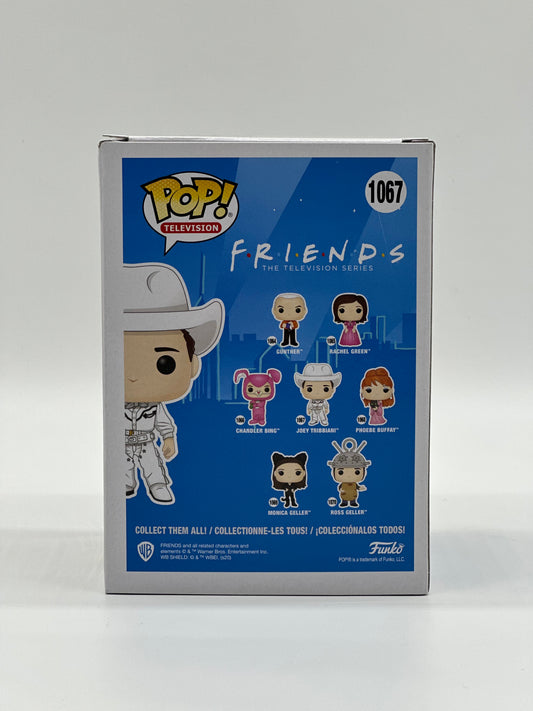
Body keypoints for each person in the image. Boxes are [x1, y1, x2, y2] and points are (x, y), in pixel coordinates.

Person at [123, 263, 224, 504]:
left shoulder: (155, 408)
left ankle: (158, 486)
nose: (134, 376)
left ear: (193, 365)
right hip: (122, 443)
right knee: (123, 469)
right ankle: (125, 484)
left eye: (165, 363)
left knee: (153, 467)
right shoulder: (112, 405)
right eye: (122, 361)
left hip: (146, 442)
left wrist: (168, 438)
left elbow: (164, 423)